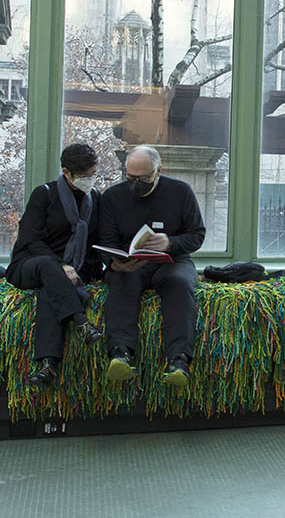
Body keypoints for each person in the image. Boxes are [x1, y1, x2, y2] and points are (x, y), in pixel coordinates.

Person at [99, 144, 205, 389]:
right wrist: (113, 262)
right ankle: (120, 353)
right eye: (131, 178)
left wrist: (171, 242)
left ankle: (178, 360)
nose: (137, 183)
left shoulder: (181, 192)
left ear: (159, 171)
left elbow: (197, 235)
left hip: (172, 260)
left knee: (178, 283)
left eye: (144, 178)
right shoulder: (113, 197)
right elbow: (105, 240)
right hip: (130, 263)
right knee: (122, 282)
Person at [6, 143, 104, 387]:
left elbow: (97, 242)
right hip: (31, 263)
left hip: (74, 270)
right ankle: (82, 323)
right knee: (50, 268)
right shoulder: (45, 194)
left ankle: (47, 366)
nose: (88, 181)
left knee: (52, 291)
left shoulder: (96, 199)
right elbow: (30, 238)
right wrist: (61, 265)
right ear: (66, 172)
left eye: (92, 175)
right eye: (83, 176)